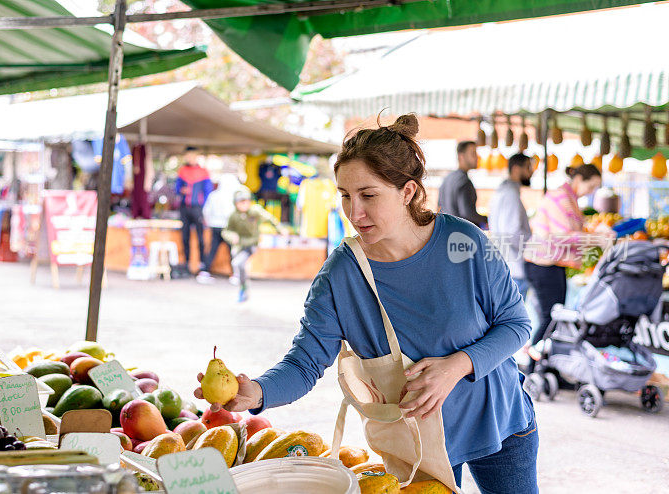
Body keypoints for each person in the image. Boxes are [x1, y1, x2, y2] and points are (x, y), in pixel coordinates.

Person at [196, 115, 537, 493]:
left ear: (407, 192)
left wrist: (456, 366)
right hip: (418, 444)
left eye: (368, 195)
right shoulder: (342, 275)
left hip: (501, 422)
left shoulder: (463, 241)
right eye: (345, 195)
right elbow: (305, 362)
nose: (354, 213)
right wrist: (256, 392)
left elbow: (516, 324)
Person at [524, 164, 606, 371]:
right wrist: (596, 238)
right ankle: (534, 367)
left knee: (554, 316)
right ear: (579, 179)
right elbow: (562, 237)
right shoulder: (560, 197)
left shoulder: (571, 199)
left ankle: (546, 366)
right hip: (542, 264)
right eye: (592, 185)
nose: (592, 191)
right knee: (551, 317)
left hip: (553, 265)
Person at [221, 190, 281, 303]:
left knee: (237, 263)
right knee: (237, 263)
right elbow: (226, 231)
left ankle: (243, 288)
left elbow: (270, 219)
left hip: (252, 244)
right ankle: (242, 284)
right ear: (236, 203)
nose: (244, 205)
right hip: (239, 245)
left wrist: (280, 229)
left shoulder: (255, 211)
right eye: (241, 202)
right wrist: (231, 236)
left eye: (246, 202)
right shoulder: (233, 216)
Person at [489, 153, 534, 298]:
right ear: (516, 169)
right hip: (514, 266)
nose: (531, 171)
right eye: (528, 167)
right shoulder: (510, 194)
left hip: (506, 264)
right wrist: (530, 247)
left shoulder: (504, 191)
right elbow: (512, 231)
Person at [197, 174, 244, 284]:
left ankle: (204, 272)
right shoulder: (234, 196)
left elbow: (206, 211)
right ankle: (236, 274)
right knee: (233, 251)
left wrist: (209, 222)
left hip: (215, 226)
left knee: (213, 249)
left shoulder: (214, 195)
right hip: (228, 228)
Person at [175, 147, 213, 274]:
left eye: (192, 156)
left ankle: (202, 264)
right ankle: (186, 263)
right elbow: (177, 188)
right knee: (185, 237)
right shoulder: (182, 171)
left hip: (198, 208)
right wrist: (182, 191)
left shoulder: (203, 172)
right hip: (185, 208)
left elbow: (208, 192)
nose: (190, 158)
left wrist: (204, 207)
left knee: (200, 237)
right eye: (188, 156)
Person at [438, 141, 487, 227]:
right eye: (473, 153)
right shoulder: (464, 181)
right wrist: (487, 219)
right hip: (461, 234)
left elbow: (439, 208)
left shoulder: (447, 179)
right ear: (461, 156)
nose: (477, 157)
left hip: (447, 232)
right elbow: (467, 214)